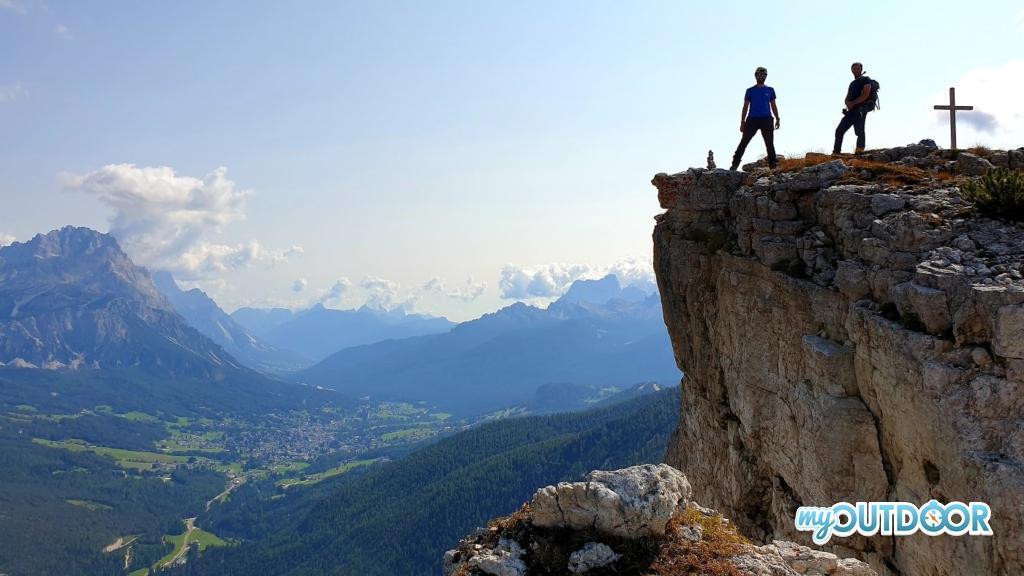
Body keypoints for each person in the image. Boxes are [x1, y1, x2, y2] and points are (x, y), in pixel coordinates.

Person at [730, 66, 780, 171]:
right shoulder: (750, 91)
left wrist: (777, 118)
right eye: (759, 75)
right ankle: (734, 164)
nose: (761, 76)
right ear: (755, 76)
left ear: (766, 76)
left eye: (763, 75)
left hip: (767, 119)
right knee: (744, 142)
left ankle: (773, 166)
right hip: (752, 120)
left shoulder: (770, 90)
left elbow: (773, 105)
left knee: (769, 144)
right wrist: (742, 122)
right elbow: (745, 107)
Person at [833, 62, 874, 154]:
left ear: (861, 69)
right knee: (839, 130)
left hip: (861, 109)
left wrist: (853, 103)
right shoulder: (852, 83)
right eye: (854, 68)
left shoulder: (866, 80)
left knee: (859, 131)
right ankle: (836, 152)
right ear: (851, 70)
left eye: (858, 68)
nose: (856, 70)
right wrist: (847, 103)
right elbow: (847, 97)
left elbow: (866, 95)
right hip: (851, 110)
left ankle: (859, 152)